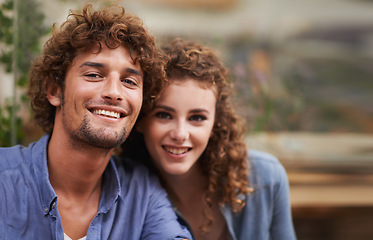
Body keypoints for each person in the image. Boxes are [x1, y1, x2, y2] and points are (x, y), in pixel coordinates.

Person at [0, 5, 192, 240]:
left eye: (130, 81)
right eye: (93, 75)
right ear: (54, 90)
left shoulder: (141, 192)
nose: (114, 92)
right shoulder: (4, 180)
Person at [121, 38, 297, 240]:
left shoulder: (266, 178)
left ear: (216, 123)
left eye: (197, 118)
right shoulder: (123, 191)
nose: (180, 134)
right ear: (141, 119)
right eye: (164, 115)